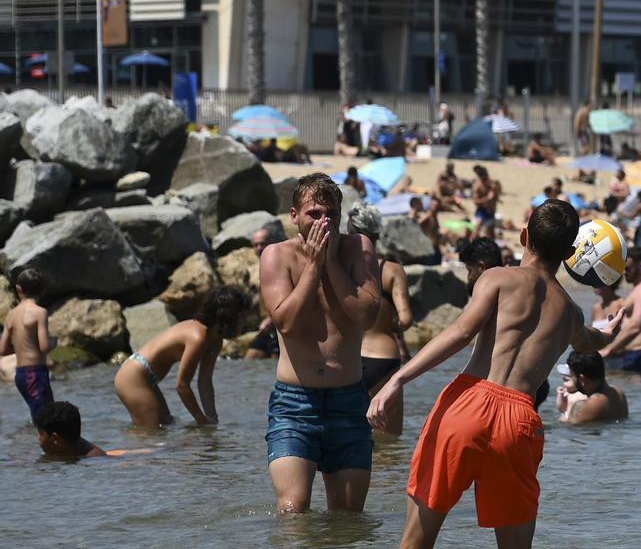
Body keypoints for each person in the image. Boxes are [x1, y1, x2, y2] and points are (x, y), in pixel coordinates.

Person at [368, 201, 617, 549]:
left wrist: (398, 379)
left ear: (523, 236)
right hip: (520, 420)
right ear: (568, 254)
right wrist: (609, 332)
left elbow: (460, 332)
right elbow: (590, 342)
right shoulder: (570, 313)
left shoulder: (497, 278)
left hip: (469, 402)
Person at [258, 173, 384, 513]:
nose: (324, 222)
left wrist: (330, 264)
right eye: (315, 214)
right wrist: (313, 267)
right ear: (295, 216)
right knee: (293, 510)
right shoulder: (276, 256)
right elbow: (285, 323)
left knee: (348, 518)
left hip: (348, 400)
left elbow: (366, 316)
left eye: (332, 214)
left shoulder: (359, 249)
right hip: (295, 403)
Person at [114, 288, 249, 427]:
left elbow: (205, 380)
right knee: (150, 436)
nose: (245, 321)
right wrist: (200, 420)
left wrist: (212, 418)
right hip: (133, 377)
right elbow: (182, 386)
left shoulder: (215, 341)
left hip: (147, 379)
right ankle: (120, 449)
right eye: (243, 316)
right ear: (230, 316)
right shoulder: (198, 338)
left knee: (166, 423)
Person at [348, 209, 416, 436]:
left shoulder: (342, 268)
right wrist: (390, 325)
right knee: (387, 441)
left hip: (350, 357)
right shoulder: (391, 270)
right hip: (383, 358)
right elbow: (406, 319)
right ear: (377, 233)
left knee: (351, 436)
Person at [3, 267, 55, 419]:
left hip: (20, 375)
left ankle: (30, 442)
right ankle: (44, 441)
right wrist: (54, 343)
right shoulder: (40, 312)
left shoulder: (11, 315)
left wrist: (21, 347)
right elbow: (44, 346)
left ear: (18, 289)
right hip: (35, 373)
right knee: (46, 418)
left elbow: (2, 349)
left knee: (39, 414)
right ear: (43, 290)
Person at [602, 256, 641, 373]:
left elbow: (636, 326)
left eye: (628, 268)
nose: (625, 272)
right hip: (634, 355)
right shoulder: (638, 290)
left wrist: (609, 350)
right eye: (623, 269)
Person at [556, 350, 628, 425]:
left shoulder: (586, 405)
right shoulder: (619, 393)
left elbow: (569, 430)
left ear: (582, 379)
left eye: (572, 376)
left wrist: (563, 418)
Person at [34, 401, 107, 460]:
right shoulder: (74, 445)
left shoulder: (94, 461)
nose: (38, 438)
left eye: (41, 433)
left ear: (55, 438)